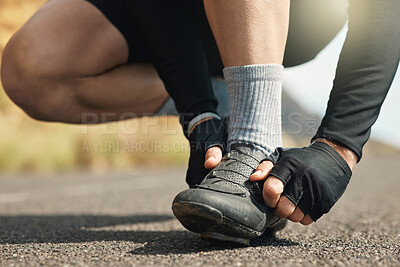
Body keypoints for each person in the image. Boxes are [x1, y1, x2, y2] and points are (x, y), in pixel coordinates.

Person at [1, 0, 399, 244]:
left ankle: (253, 141)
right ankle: (230, 103)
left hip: (297, 15)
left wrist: (339, 146)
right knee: (31, 68)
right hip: (175, 13)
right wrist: (199, 112)